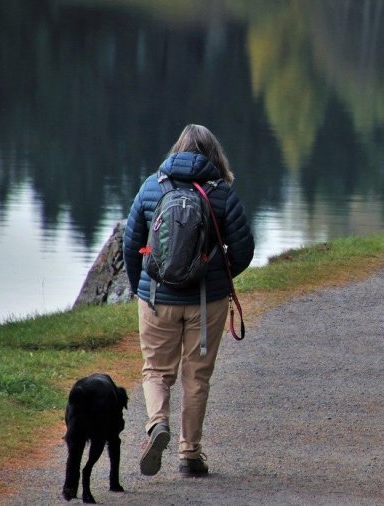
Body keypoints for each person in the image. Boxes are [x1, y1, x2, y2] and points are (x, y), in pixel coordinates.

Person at [122, 124, 254, 476]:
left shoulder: (152, 187)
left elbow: (130, 244)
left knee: (156, 370)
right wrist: (217, 281)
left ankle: (156, 424)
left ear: (176, 149)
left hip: (155, 298)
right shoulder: (221, 194)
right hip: (205, 302)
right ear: (215, 155)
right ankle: (190, 454)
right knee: (196, 377)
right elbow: (243, 250)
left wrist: (141, 288)